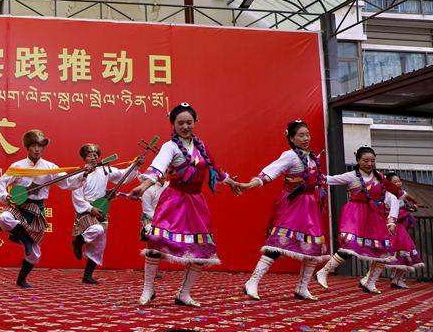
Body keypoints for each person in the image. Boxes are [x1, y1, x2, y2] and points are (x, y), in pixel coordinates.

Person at [128, 103, 242, 307]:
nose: (185, 126)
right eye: (180, 123)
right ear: (173, 124)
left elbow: (215, 169)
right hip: (173, 201)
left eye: (189, 122)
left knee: (200, 248)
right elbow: (158, 168)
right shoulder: (170, 146)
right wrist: (143, 187)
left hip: (195, 204)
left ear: (195, 122)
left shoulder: (200, 146)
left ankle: (184, 293)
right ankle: (148, 290)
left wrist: (231, 182)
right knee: (156, 243)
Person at [239, 120, 329, 301]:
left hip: (310, 207)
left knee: (313, 247)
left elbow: (321, 179)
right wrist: (250, 184)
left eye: (307, 134)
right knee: (278, 244)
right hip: (292, 206)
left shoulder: (311, 157)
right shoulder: (290, 156)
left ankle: (302, 288)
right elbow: (270, 172)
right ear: (291, 138)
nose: (305, 138)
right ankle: (252, 282)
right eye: (301, 135)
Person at [0, 129, 83, 289]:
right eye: (34, 146)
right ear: (28, 147)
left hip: (36, 209)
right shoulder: (18, 166)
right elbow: (0, 185)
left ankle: (22, 279)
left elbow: (67, 182)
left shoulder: (49, 167)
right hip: (19, 205)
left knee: (35, 254)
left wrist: (84, 174)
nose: (37, 149)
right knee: (4, 218)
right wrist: (6, 196)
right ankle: (24, 238)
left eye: (40, 146)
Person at [315, 147, 400, 293]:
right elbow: (329, 180)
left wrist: (391, 220)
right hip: (355, 215)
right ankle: (323, 272)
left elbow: (392, 198)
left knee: (382, 251)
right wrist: (313, 170)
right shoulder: (352, 176)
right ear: (358, 160)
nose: (369, 164)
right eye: (365, 160)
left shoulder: (380, 177)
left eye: (372, 160)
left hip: (374, 217)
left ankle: (370, 282)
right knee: (350, 246)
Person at [69, 143, 142, 285]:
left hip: (101, 208)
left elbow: (123, 175)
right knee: (97, 229)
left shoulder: (105, 170)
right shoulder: (80, 174)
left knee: (99, 245)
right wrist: (90, 208)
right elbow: (77, 196)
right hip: (86, 210)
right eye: (89, 155)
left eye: (95, 154)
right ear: (84, 158)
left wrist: (136, 166)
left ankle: (87, 276)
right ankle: (78, 241)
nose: (93, 157)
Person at [385, 172, 424, 289]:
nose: (398, 183)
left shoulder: (399, 194)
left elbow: (408, 206)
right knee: (404, 251)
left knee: (402, 252)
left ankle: (396, 278)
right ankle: (393, 279)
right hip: (393, 227)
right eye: (395, 182)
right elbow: (392, 212)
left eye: (399, 181)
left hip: (399, 227)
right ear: (388, 184)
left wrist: (414, 207)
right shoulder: (389, 196)